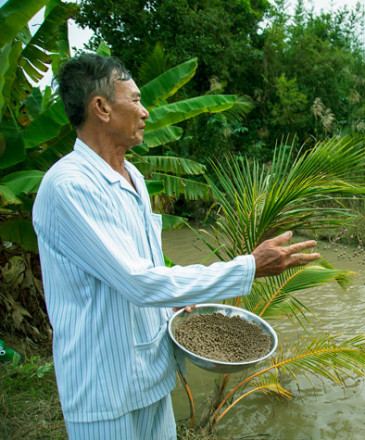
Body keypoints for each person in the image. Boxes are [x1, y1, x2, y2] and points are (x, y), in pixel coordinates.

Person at [32, 53, 319, 439]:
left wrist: (176, 303)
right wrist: (248, 267)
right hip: (104, 384)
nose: (145, 111)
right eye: (134, 100)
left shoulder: (130, 174)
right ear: (101, 107)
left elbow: (146, 265)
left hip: (151, 372)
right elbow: (139, 282)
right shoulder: (69, 186)